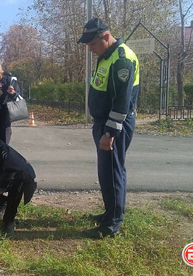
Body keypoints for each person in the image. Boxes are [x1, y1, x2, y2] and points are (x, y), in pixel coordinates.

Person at [77, 18, 140, 239]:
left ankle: (111, 224)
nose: (89, 48)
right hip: (103, 123)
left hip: (114, 125)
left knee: (113, 172)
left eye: (92, 44)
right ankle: (109, 213)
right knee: (106, 172)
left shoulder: (121, 59)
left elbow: (122, 101)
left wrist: (109, 133)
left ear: (105, 37)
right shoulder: (106, 56)